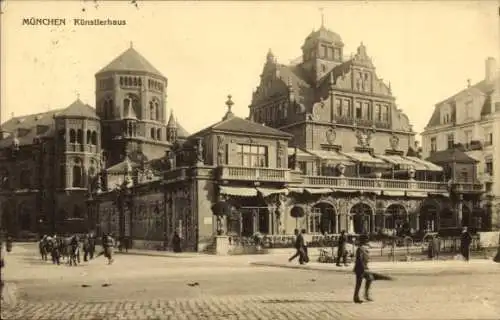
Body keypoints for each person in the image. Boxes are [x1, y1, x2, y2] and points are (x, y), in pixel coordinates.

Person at [353, 234, 373, 304]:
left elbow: (365, 258)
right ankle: (356, 298)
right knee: (359, 283)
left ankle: (366, 295)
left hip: (363, 268)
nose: (367, 241)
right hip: (360, 269)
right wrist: (363, 268)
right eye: (366, 240)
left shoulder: (363, 248)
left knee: (370, 278)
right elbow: (360, 260)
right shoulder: (360, 249)